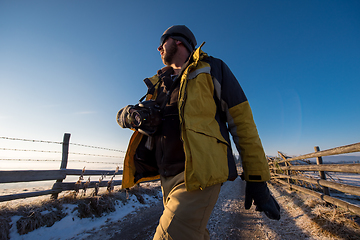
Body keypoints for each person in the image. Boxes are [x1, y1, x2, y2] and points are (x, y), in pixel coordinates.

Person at [117, 25, 280, 240]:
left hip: (199, 174)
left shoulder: (212, 68)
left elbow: (243, 123)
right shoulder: (158, 84)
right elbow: (123, 116)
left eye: (162, 42)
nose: (158, 48)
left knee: (170, 236)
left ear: (178, 41)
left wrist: (257, 178)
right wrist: (129, 115)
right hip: (167, 177)